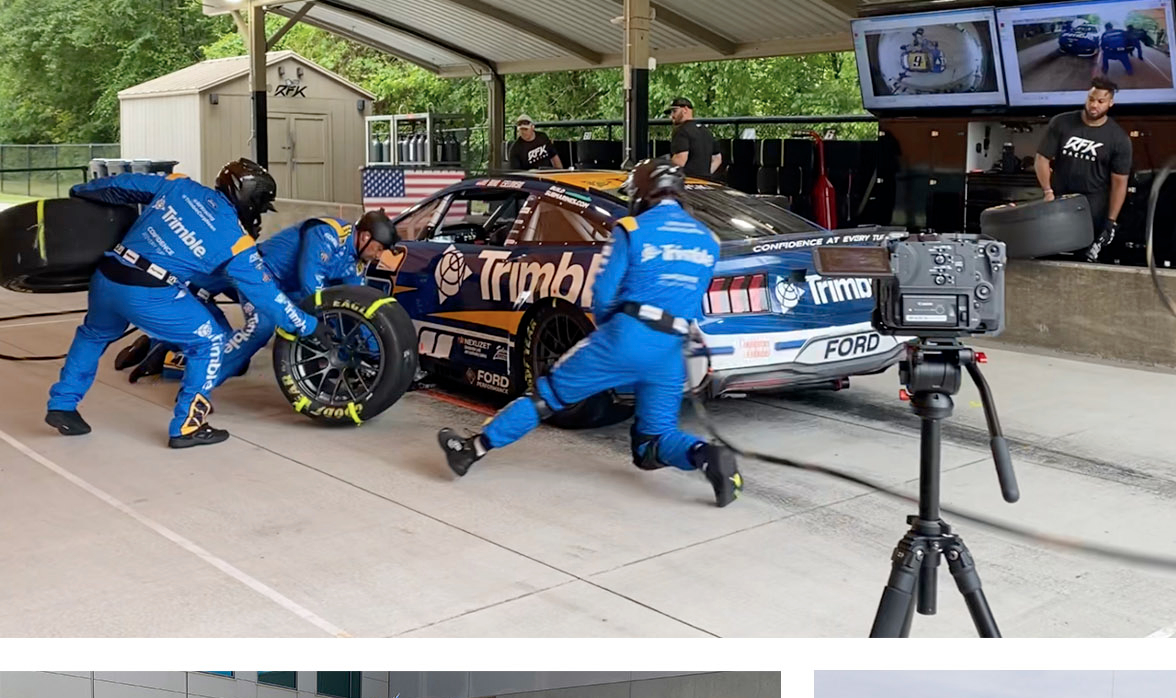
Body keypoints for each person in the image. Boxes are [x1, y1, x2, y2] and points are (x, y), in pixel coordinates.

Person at [437, 159, 742, 504]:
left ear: (643, 192)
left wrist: (612, 337)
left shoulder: (632, 229)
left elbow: (603, 295)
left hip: (626, 335)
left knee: (546, 395)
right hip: (672, 348)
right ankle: (709, 456)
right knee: (652, 442)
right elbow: (694, 301)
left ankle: (471, 449)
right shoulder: (709, 239)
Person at [45, 160, 317, 447]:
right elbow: (267, 296)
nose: (260, 212)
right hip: (148, 291)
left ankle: (62, 404)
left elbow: (120, 185)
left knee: (93, 334)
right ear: (250, 198)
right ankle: (188, 426)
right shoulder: (235, 241)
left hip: (108, 275)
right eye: (261, 204)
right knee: (210, 341)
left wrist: (80, 191)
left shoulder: (179, 184)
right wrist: (308, 326)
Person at [125, 210, 402, 384]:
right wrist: (324, 329)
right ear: (364, 236)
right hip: (257, 273)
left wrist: (377, 354)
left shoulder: (356, 263)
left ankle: (163, 348)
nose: (379, 256)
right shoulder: (328, 234)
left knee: (241, 363)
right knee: (263, 327)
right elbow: (311, 284)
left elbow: (357, 308)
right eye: (378, 249)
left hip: (280, 287)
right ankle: (199, 385)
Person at [1035, 77, 1132, 257]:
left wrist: (1110, 222)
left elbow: (1119, 183)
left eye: (1100, 101)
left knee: (1082, 257)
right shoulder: (1061, 122)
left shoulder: (1119, 139)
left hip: (1092, 205)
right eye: (1091, 99)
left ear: (1110, 103)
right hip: (1058, 198)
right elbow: (1042, 158)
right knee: (1050, 254)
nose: (1094, 105)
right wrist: (1047, 191)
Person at [667, 98, 720, 180]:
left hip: (686, 182)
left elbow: (681, 159)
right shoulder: (706, 131)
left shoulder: (681, 130)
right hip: (705, 182)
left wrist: (667, 173)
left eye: (674, 111)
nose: (672, 116)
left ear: (685, 109)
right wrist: (705, 174)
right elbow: (717, 158)